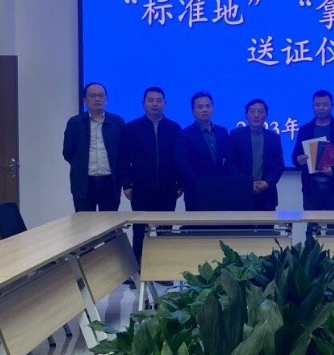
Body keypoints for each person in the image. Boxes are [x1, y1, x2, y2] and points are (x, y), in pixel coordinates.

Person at [119, 86, 182, 262]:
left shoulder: (174, 128)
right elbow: (123, 158)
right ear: (143, 103)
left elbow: (179, 159)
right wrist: (126, 184)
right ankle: (138, 268)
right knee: (140, 230)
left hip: (168, 188)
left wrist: (180, 183)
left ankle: (164, 268)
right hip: (141, 188)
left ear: (165, 103)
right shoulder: (131, 128)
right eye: (151, 100)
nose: (155, 104)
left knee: (165, 230)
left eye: (159, 100)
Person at [294, 89, 334, 232]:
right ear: (313, 106)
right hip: (311, 186)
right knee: (311, 229)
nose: (321, 108)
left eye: (325, 104)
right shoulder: (305, 129)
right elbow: (296, 155)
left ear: (332, 106)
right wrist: (299, 160)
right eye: (317, 104)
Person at [62, 82, 125, 211]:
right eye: (92, 96)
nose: (97, 99)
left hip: (109, 182)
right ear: (85, 100)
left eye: (101, 95)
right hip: (84, 183)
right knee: (84, 222)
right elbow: (68, 152)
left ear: (106, 98)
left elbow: (123, 152)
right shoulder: (74, 123)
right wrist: (80, 164)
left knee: (110, 222)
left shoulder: (117, 122)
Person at [228, 98, 285, 211]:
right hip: (241, 193)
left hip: (267, 194)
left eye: (260, 111)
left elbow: (279, 165)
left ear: (266, 115)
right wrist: (247, 183)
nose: (256, 115)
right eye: (252, 111)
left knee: (267, 223)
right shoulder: (236, 135)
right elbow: (230, 164)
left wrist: (267, 182)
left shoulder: (273, 137)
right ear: (246, 115)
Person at [176, 91, 230, 211]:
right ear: (193, 110)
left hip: (220, 188)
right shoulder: (184, 135)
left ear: (212, 108)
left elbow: (228, 159)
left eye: (208, 106)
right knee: (197, 223)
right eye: (200, 107)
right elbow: (183, 164)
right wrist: (201, 183)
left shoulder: (222, 131)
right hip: (196, 190)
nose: (205, 110)